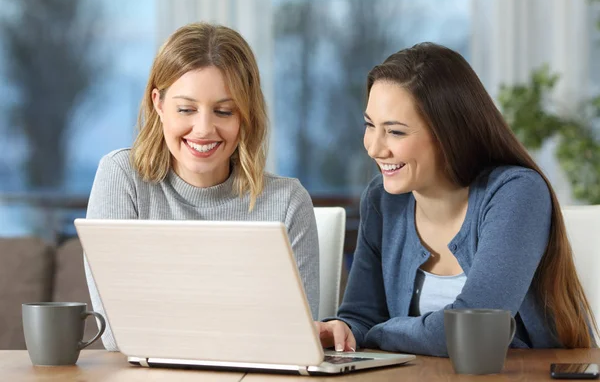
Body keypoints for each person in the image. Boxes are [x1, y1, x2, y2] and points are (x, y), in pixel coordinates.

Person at [316, 42, 597, 356]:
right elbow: (361, 316)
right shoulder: (382, 202)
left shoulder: (516, 193)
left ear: (448, 133)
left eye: (395, 132)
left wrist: (380, 331)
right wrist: (344, 329)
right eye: (370, 126)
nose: (374, 148)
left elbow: (473, 332)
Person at [84, 22, 320, 351]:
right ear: (159, 104)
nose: (204, 129)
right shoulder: (121, 177)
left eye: (224, 111)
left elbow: (295, 339)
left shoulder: (287, 202)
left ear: (245, 115)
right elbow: (115, 334)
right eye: (186, 109)